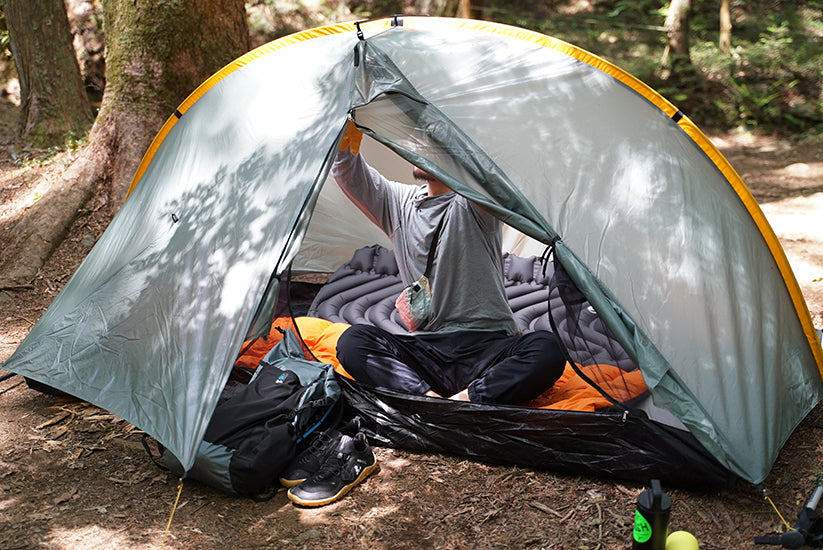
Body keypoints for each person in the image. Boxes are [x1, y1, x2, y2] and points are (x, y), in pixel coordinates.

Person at [332, 121, 565, 404]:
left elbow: (492, 174)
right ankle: (428, 399)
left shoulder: (475, 202)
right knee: (353, 341)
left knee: (547, 348)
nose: (421, 150)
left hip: (488, 346)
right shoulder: (397, 203)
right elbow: (346, 168)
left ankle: (464, 401)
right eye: (419, 144)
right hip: (427, 351)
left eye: (433, 145)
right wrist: (350, 118)